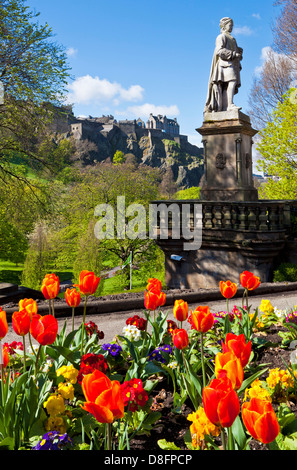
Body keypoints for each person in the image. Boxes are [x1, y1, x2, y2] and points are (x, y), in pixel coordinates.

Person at [204, 17, 243, 113]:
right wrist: (233, 54)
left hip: (231, 64)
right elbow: (219, 51)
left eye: (232, 26)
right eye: (230, 25)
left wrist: (239, 51)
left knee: (228, 85)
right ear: (224, 26)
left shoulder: (232, 39)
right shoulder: (221, 37)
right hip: (224, 65)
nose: (231, 27)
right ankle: (230, 105)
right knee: (232, 81)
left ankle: (227, 105)